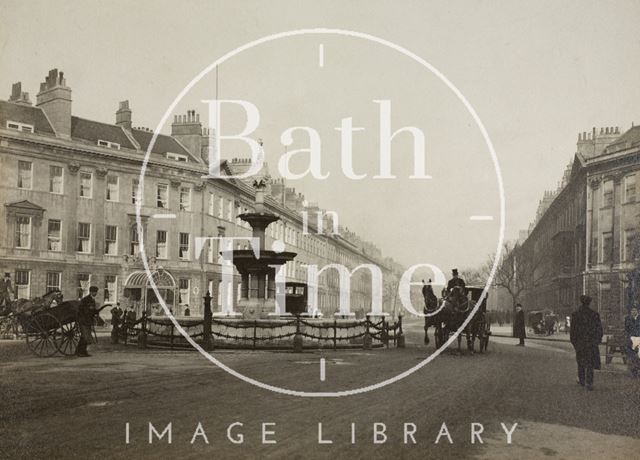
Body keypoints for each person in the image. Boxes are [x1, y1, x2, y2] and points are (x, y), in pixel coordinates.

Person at [570, 295, 603, 390]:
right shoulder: (594, 314)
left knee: (581, 362)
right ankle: (589, 382)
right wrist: (597, 341)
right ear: (589, 303)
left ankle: (581, 380)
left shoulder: (576, 314)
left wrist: (575, 343)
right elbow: (599, 330)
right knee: (590, 363)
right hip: (591, 343)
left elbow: (573, 332)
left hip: (580, 343)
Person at [76, 286, 99, 357]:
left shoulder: (92, 300)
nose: (95, 293)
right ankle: (80, 352)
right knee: (85, 336)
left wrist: (95, 312)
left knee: (85, 336)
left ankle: (81, 351)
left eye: (96, 292)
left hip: (88, 321)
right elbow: (82, 310)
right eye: (94, 292)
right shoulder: (85, 299)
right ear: (91, 292)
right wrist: (90, 311)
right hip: (83, 320)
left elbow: (92, 310)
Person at [624, 306, 640, 377]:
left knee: (638, 356)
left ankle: (637, 370)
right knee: (631, 356)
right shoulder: (627, 318)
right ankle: (633, 372)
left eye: (635, 310)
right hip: (630, 340)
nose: (633, 312)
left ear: (638, 311)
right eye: (632, 310)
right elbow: (626, 329)